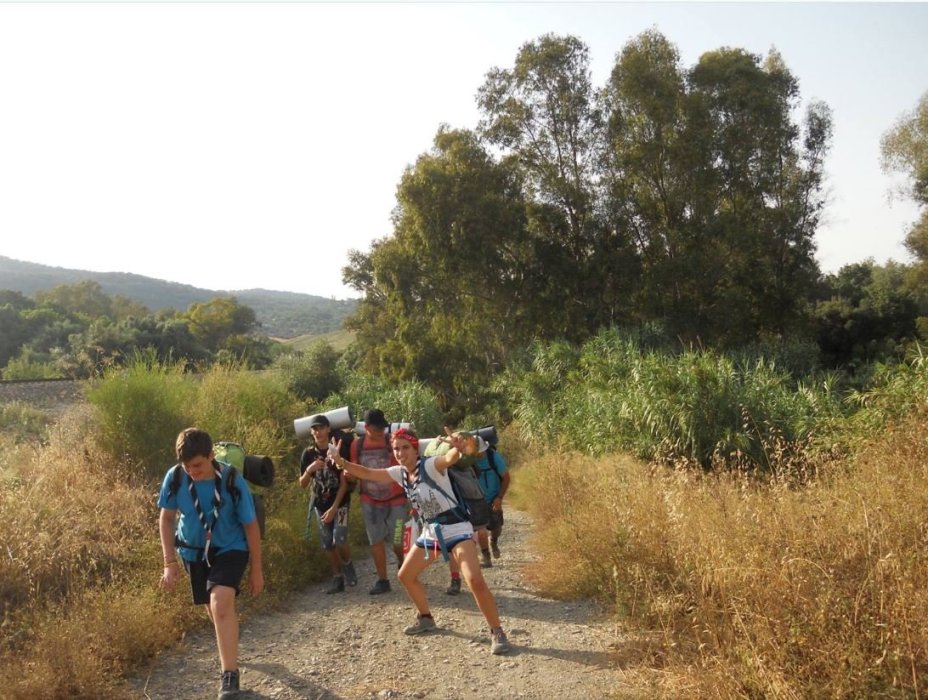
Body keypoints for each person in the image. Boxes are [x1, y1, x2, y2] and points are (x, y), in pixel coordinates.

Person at [332, 427, 512, 655]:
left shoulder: (430, 465)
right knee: (405, 575)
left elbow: (448, 459)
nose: (400, 453)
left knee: (475, 580)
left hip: (456, 527)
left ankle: (497, 632)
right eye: (396, 449)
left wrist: (458, 449)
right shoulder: (399, 473)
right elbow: (367, 473)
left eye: (405, 448)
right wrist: (341, 462)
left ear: (415, 448)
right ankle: (426, 617)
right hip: (432, 532)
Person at [158, 427, 264, 700]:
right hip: (193, 552)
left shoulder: (231, 479)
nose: (191, 471)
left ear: (211, 455)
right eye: (187, 466)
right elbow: (167, 519)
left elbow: (251, 526)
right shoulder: (176, 477)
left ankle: (229, 677)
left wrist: (256, 570)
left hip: (230, 548)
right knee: (214, 608)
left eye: (197, 465)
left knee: (220, 603)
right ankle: (229, 644)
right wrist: (169, 562)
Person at [298, 414, 358, 593]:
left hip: (341, 503)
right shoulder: (308, 454)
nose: (318, 432)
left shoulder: (336, 450)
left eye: (321, 428)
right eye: (315, 429)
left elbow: (344, 483)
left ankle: (348, 565)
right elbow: (302, 483)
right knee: (327, 543)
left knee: (339, 539)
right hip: (320, 504)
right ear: (311, 432)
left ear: (328, 429)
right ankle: (337, 578)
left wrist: (334, 508)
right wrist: (309, 470)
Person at [351, 408, 407, 595]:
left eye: (383, 428)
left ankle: (402, 561)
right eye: (377, 429)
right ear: (366, 428)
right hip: (370, 501)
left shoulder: (392, 442)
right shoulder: (357, 445)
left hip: (396, 500)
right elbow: (354, 469)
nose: (381, 432)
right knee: (376, 540)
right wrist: (348, 475)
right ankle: (383, 580)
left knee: (398, 539)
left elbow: (403, 466)